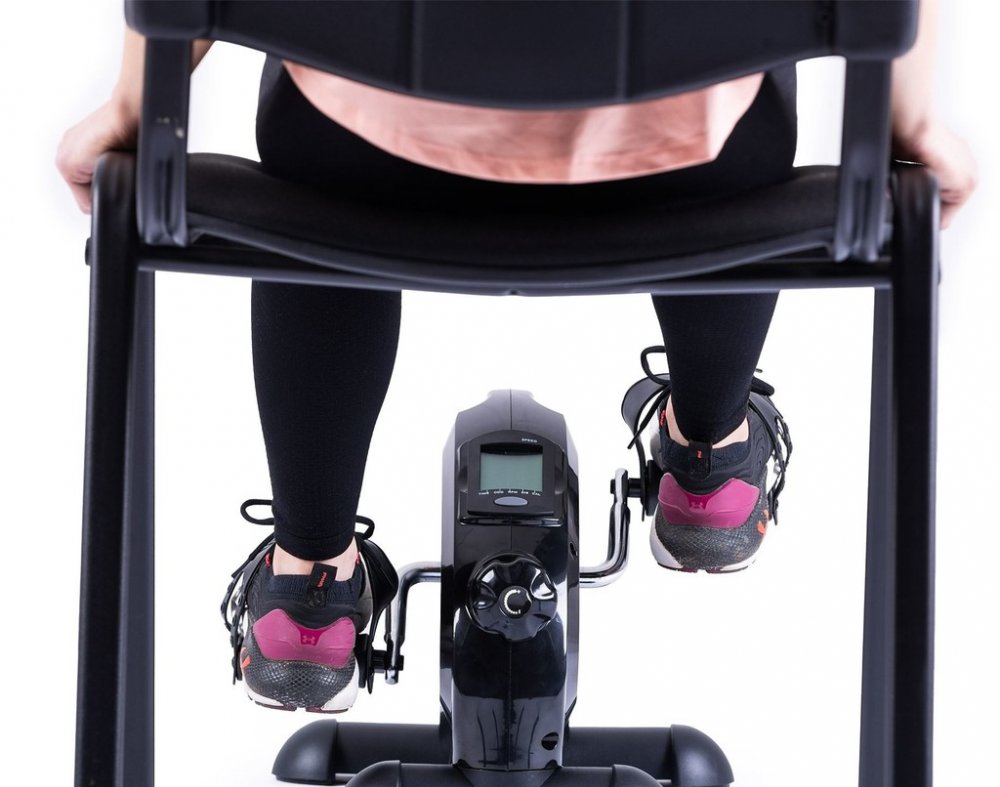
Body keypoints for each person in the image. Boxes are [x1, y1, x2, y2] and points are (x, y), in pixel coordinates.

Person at [58, 0, 975, 714]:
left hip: (361, 160)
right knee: (730, 83)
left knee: (328, 115)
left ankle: (308, 592)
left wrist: (134, 113)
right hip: (690, 158)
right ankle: (711, 463)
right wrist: (910, 124)